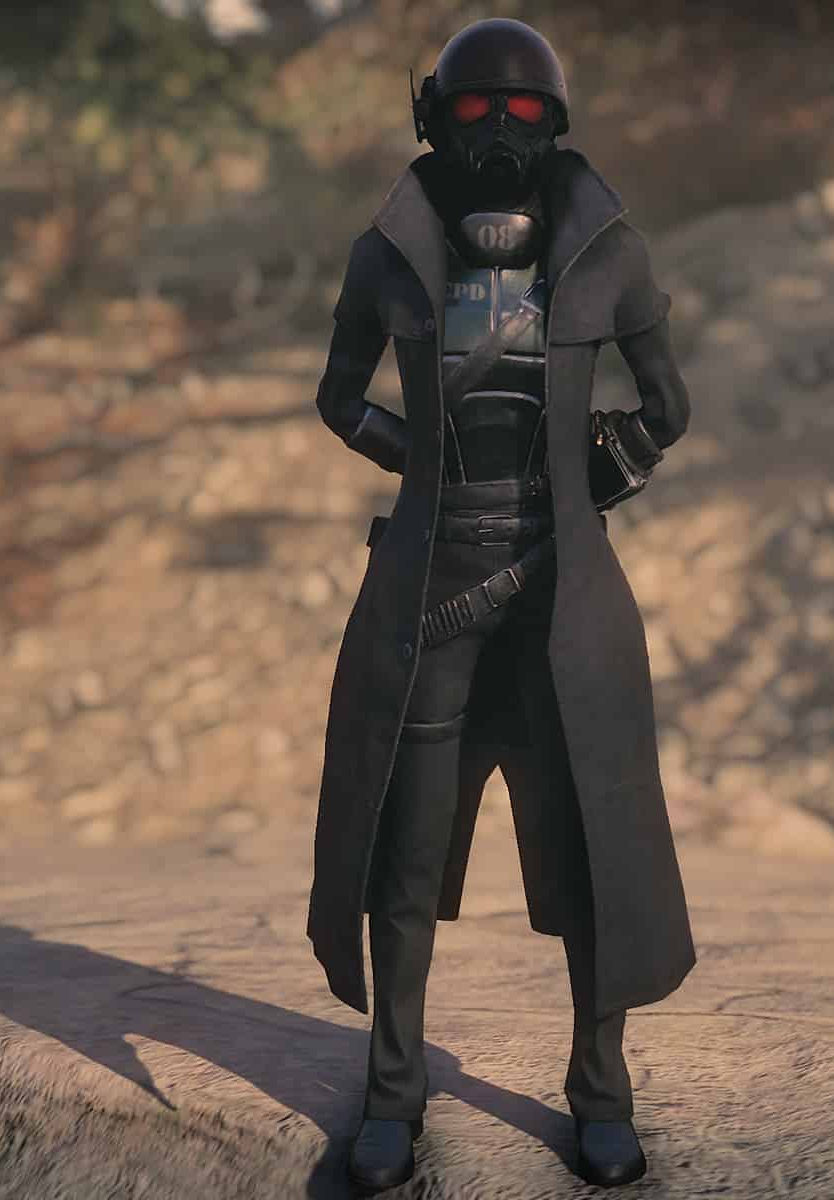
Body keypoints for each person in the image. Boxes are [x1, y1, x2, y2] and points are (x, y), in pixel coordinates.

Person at [304, 17, 696, 1191]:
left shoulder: (608, 251)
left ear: (557, 122)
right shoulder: (389, 253)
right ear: (435, 119)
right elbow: (337, 399)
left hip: (561, 594)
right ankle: (392, 1092)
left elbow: (668, 408)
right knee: (403, 853)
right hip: (430, 585)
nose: (501, 129)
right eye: (477, 108)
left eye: (524, 111)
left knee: (588, 854)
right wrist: (423, 466)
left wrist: (597, 476)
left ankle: (602, 1092)